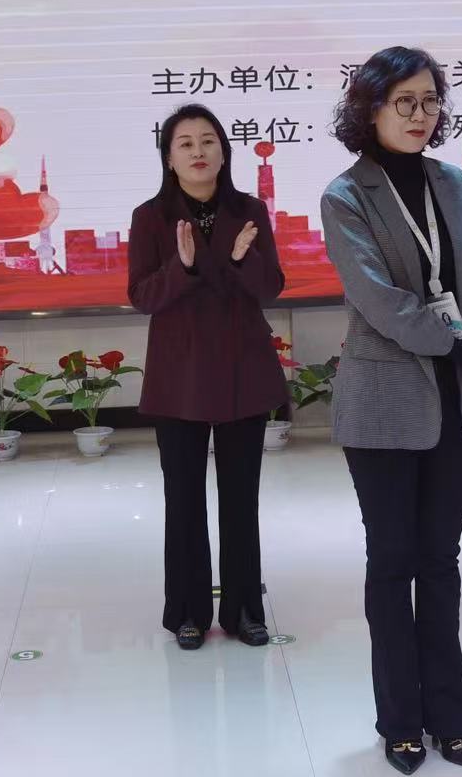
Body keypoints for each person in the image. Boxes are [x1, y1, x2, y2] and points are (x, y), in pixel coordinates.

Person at [321, 46, 462, 774]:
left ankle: (450, 715)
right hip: (386, 404)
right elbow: (383, 304)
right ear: (369, 108)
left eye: (430, 100)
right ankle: (400, 720)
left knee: (440, 560)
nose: (419, 114)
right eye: (403, 101)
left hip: (460, 406)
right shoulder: (345, 195)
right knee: (392, 561)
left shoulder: (454, 182)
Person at [127, 104, 287, 652]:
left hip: (244, 372)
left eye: (208, 141)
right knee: (184, 501)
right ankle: (187, 611)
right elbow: (142, 296)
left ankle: (244, 610)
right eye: (185, 143)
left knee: (241, 500)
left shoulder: (249, 210)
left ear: (224, 151)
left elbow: (270, 288)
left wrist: (242, 260)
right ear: (169, 158)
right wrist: (185, 266)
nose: (198, 151)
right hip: (180, 379)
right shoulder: (151, 216)